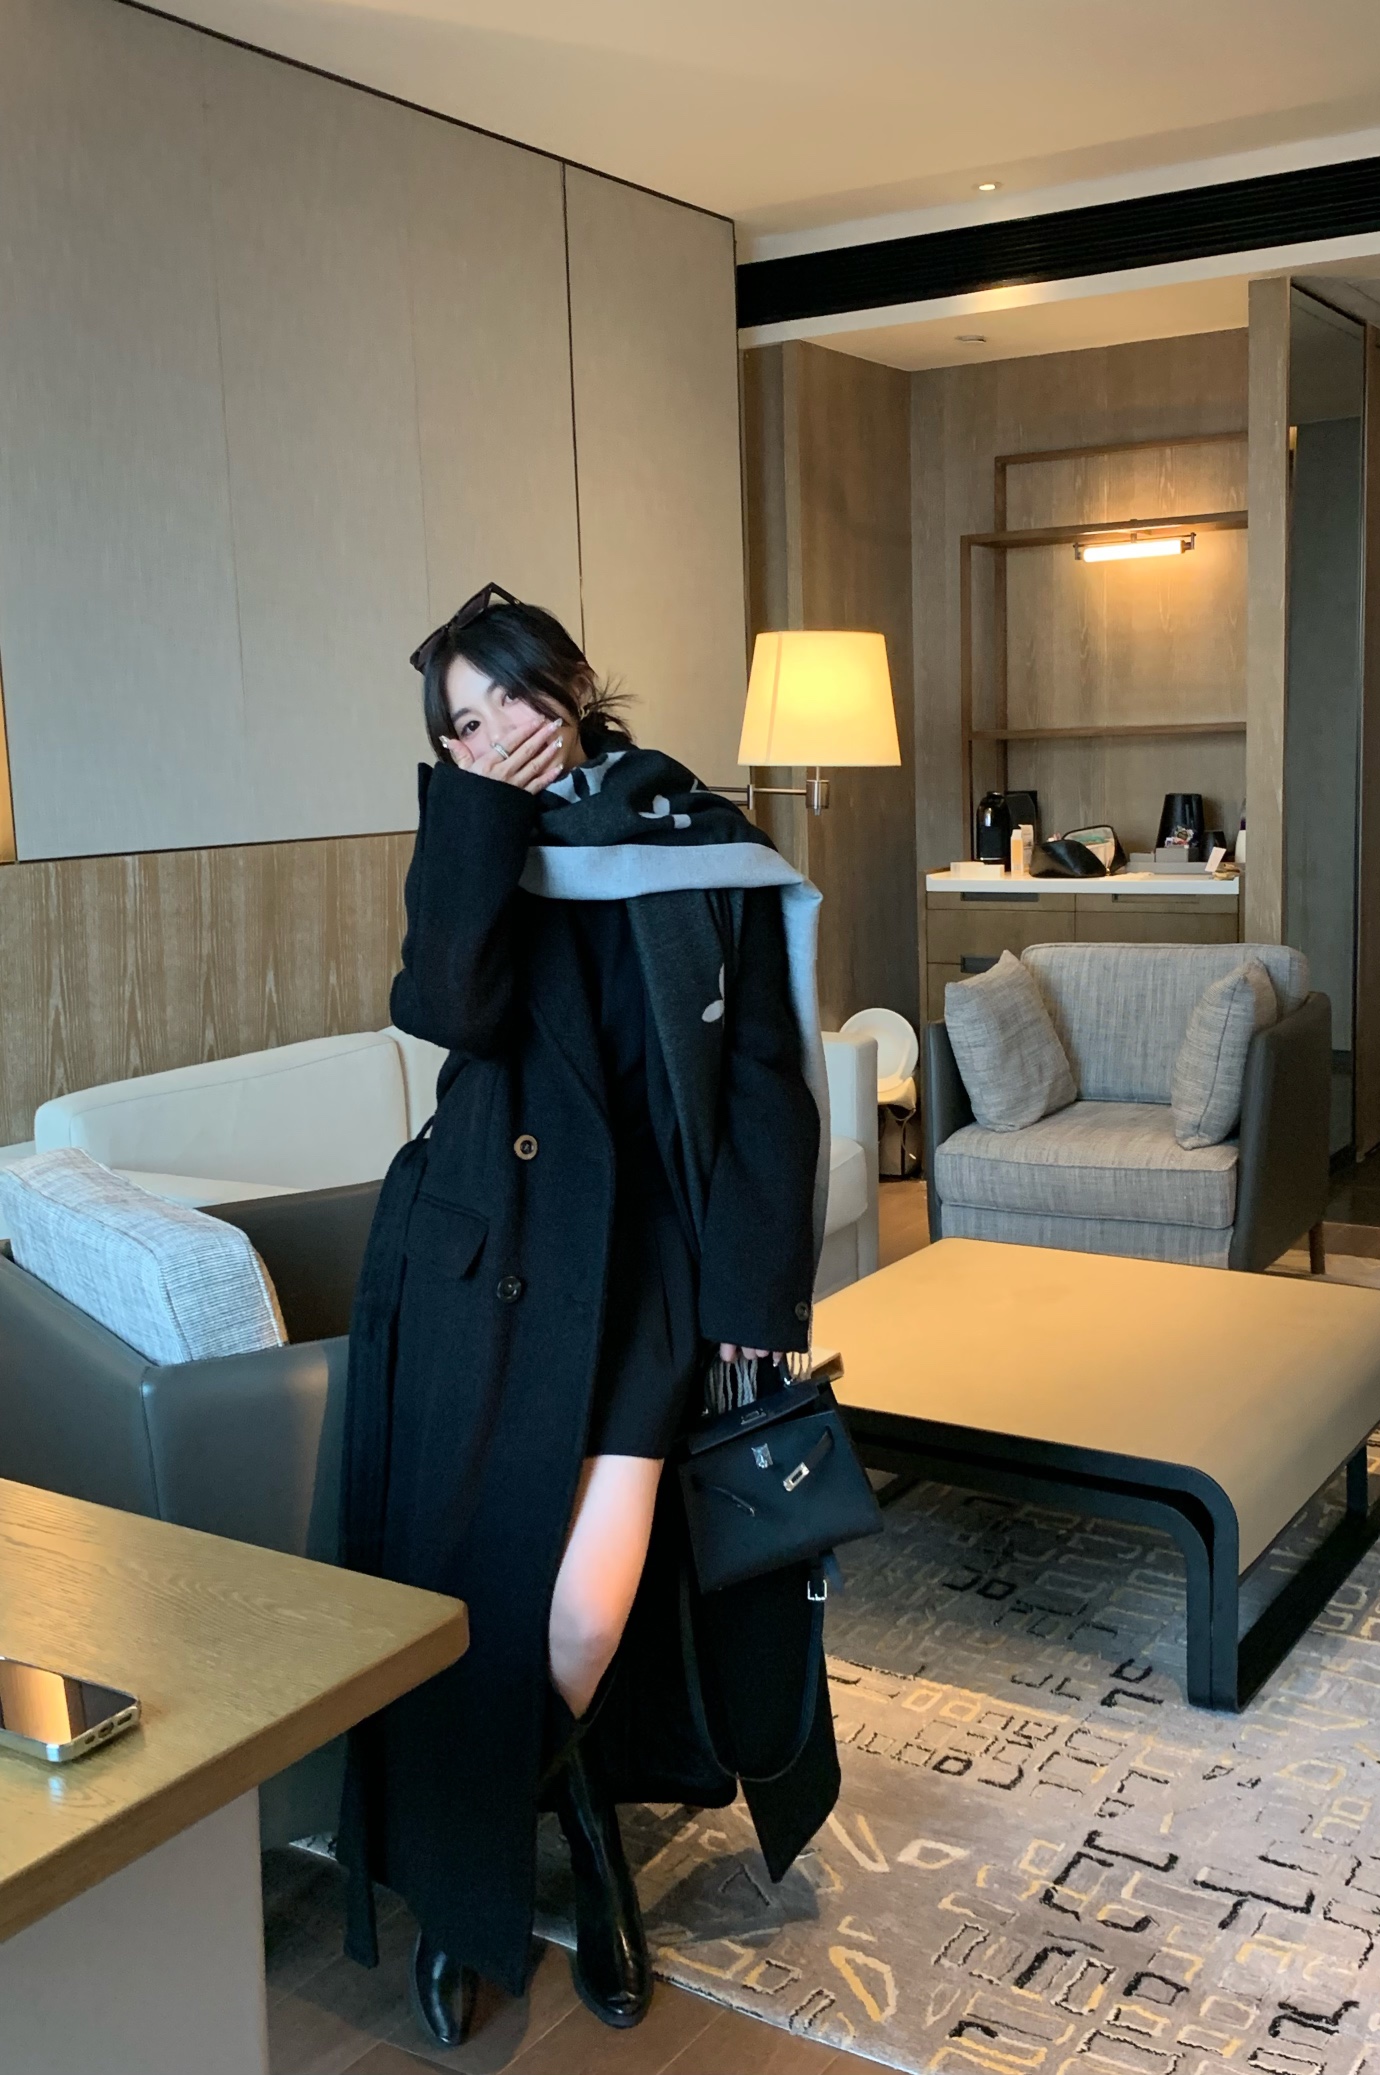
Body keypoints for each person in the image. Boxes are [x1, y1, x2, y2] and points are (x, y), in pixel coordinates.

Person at [337, 584, 839, 2048]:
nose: (495, 731)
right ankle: (508, 1877)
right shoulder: (472, 846)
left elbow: (763, 1077)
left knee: (584, 1612)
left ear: (568, 681)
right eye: (461, 724)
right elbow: (446, 1007)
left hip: (647, 1279)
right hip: (480, 1272)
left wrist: (756, 1301)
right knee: (470, 1593)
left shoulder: (690, 829)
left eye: (510, 695)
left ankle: (527, 1826)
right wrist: (478, 819)